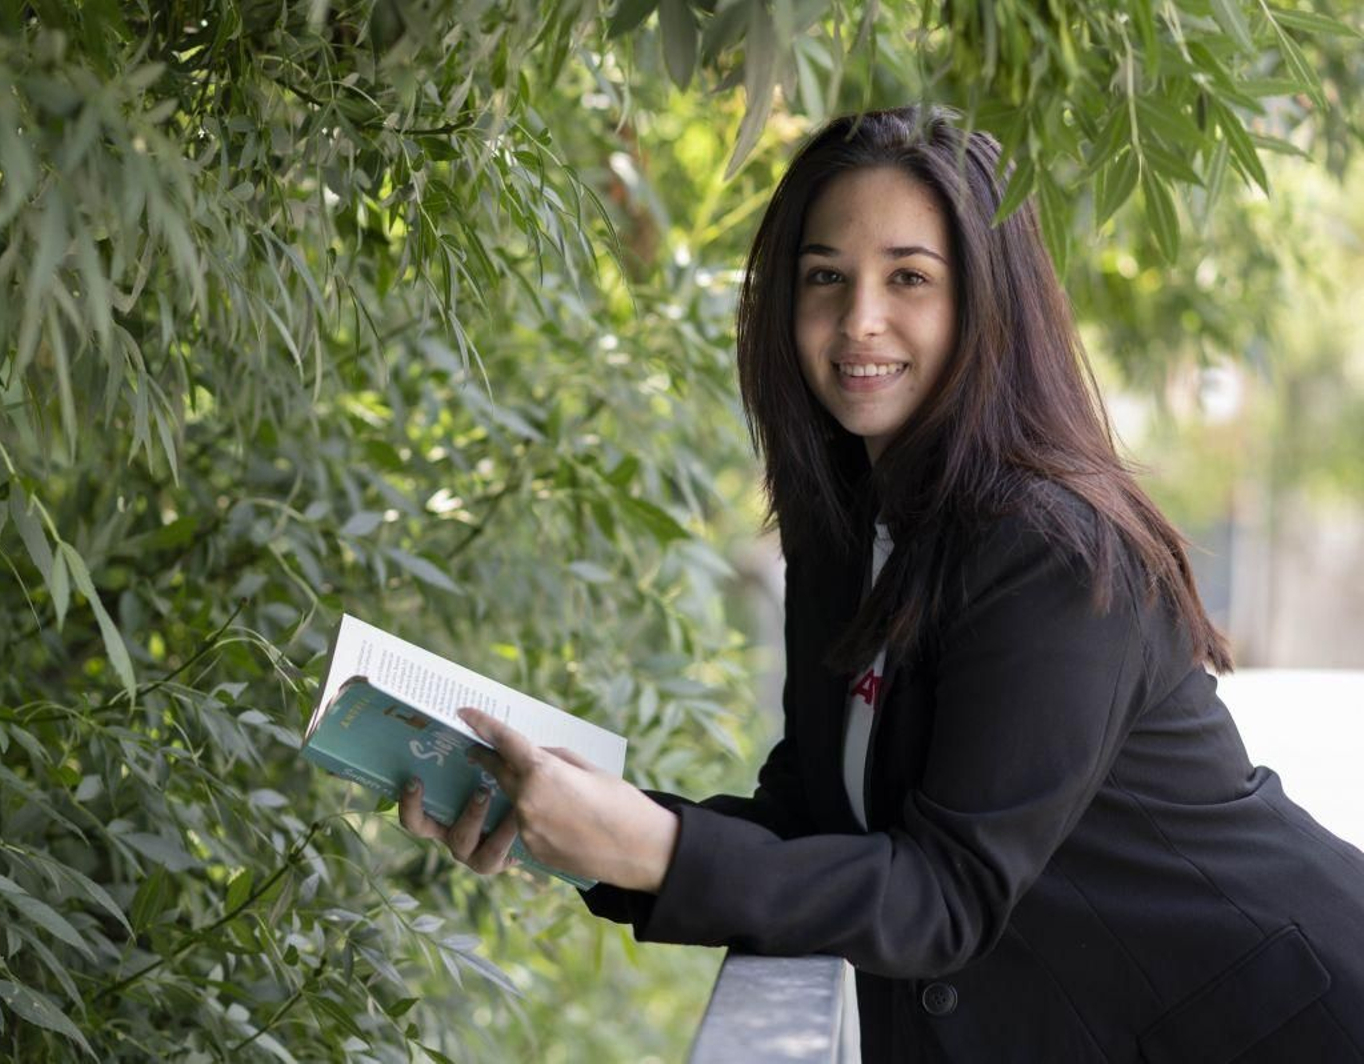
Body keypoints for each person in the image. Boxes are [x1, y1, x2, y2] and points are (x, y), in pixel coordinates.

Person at [396, 106, 1364, 1062]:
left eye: (908, 276)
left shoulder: (1049, 549)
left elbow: (944, 893)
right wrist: (566, 819)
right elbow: (817, 825)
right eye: (825, 277)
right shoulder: (846, 536)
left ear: (986, 300)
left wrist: (648, 844)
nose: (858, 319)